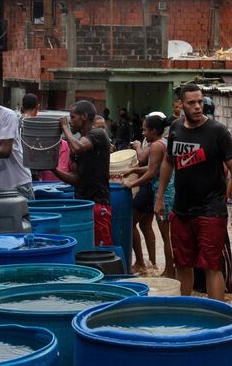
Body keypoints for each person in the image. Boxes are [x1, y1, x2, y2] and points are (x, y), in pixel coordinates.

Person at [155, 83, 232, 301]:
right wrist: (159, 197)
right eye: (191, 103)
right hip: (181, 208)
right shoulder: (176, 128)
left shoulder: (217, 131)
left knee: (212, 266)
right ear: (180, 105)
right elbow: (168, 162)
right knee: (183, 264)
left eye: (200, 102)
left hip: (211, 209)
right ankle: (184, 315)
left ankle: (216, 320)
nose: (197, 107)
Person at [51, 100, 112, 246]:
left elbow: (78, 147)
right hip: (82, 204)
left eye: (72, 117)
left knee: (102, 251)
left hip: (98, 203)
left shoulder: (98, 134)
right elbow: (76, 179)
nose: (70, 121)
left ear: (84, 116)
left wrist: (64, 127)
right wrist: (53, 169)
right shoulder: (76, 144)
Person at [123, 115, 174, 277]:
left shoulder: (156, 146)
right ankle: (165, 268)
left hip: (163, 193)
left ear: (154, 130)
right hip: (169, 191)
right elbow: (155, 168)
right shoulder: (164, 143)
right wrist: (134, 170)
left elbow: (152, 173)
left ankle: (169, 272)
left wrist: (131, 184)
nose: (143, 133)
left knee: (167, 236)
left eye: (145, 130)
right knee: (167, 235)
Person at [20, 93, 71, 182]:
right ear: (37, 107)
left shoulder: (14, 121)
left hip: (17, 170)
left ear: (22, 107)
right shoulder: (38, 125)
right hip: (31, 172)